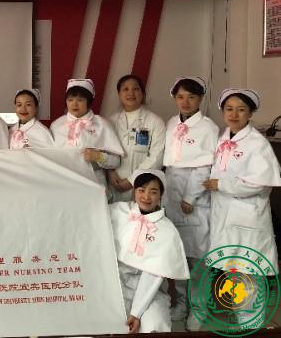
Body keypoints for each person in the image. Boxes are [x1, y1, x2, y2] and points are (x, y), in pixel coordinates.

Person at [162, 76, 219, 329]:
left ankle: (199, 308)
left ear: (201, 99)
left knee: (197, 258)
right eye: (180, 96)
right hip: (172, 192)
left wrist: (190, 197)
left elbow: (205, 166)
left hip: (193, 198)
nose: (185, 102)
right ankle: (181, 304)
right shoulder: (172, 123)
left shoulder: (208, 127)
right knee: (180, 256)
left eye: (191, 97)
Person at [204, 89, 280, 272]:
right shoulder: (222, 139)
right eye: (229, 109)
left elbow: (260, 183)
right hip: (222, 211)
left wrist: (221, 185)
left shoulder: (257, 143)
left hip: (247, 214)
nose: (234, 114)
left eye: (241, 109)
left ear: (250, 113)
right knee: (225, 268)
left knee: (249, 269)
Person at [110, 169, 190, 333]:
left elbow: (153, 275)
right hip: (115, 284)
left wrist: (136, 313)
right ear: (134, 191)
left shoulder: (167, 230)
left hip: (150, 291)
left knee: (155, 324)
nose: (146, 197)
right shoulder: (117, 211)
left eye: (153, 192)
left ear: (161, 195)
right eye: (141, 190)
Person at [50, 78, 124, 189]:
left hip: (93, 183)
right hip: (63, 182)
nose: (74, 104)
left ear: (88, 102)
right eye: (70, 100)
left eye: (80, 100)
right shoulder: (56, 125)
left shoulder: (102, 124)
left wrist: (98, 156)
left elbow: (116, 161)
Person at [108, 75, 165, 202]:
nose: (130, 93)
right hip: (113, 183)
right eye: (125, 89)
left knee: (137, 213)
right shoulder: (110, 122)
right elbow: (104, 152)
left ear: (143, 93)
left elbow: (156, 157)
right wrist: (110, 173)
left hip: (142, 186)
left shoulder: (155, 122)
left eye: (136, 89)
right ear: (119, 94)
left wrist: (132, 180)